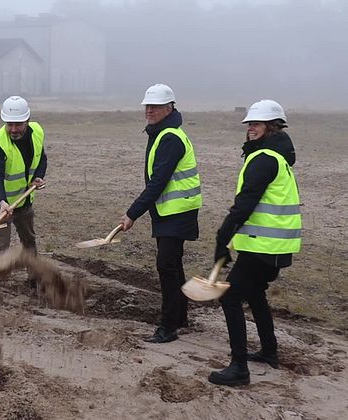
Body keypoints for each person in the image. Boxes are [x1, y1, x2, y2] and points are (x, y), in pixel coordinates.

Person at [208, 99, 300, 387]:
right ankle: (269, 351)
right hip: (274, 247)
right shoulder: (277, 157)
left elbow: (245, 203)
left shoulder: (263, 159)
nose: (251, 128)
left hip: (264, 246)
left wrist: (223, 236)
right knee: (256, 293)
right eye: (249, 124)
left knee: (230, 296)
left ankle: (239, 368)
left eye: (256, 124)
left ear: (272, 127)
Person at [119, 84, 202, 343]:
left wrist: (132, 214)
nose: (149, 111)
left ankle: (168, 328)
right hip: (171, 210)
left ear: (170, 108)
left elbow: (158, 182)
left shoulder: (170, 138)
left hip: (176, 211)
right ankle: (179, 317)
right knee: (173, 265)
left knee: (166, 266)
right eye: (147, 106)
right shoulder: (161, 133)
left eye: (155, 107)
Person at [0, 96, 47, 312]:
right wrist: (2, 202)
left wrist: (38, 176)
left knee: (29, 241)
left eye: (18, 124)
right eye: (10, 124)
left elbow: (42, 157)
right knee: (0, 248)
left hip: (24, 199)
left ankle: (34, 280)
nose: (14, 129)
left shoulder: (36, 132)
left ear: (27, 121)